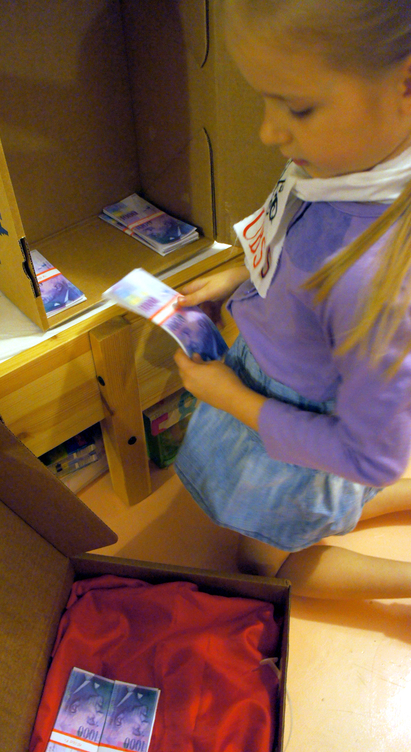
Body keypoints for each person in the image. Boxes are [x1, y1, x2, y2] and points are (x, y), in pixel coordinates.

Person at [173, 0, 411, 600]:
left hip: (298, 423)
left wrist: (231, 398)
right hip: (278, 386)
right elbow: (296, 240)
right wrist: (241, 276)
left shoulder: (374, 280)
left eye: (297, 108)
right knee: (316, 505)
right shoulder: (341, 161)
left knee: (259, 565)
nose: (268, 132)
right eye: (265, 99)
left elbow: (371, 457)